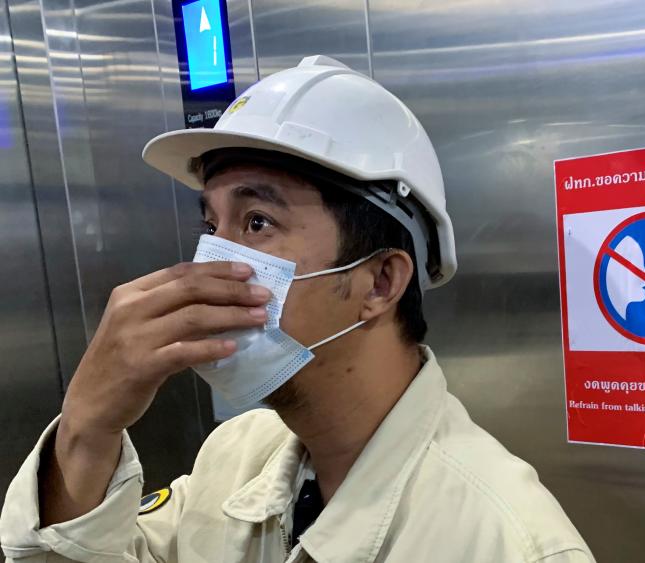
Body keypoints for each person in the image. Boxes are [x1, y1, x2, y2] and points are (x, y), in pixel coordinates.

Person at [0, 55, 594, 563]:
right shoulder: (237, 457)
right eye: (211, 225)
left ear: (380, 281)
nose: (210, 265)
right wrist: (86, 428)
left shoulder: (506, 542)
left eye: (257, 223)